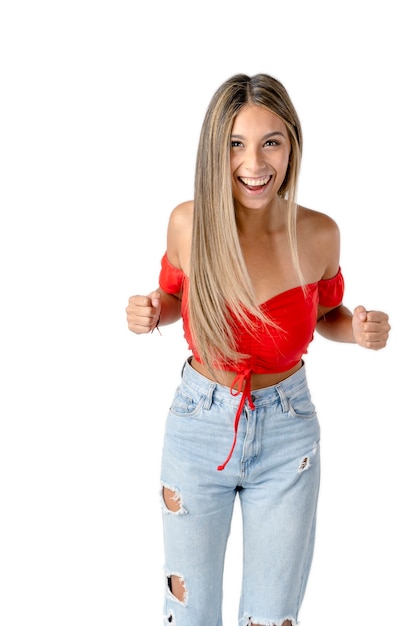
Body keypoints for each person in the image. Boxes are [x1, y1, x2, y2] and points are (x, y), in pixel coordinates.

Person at [126, 73, 390, 626]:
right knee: (189, 610)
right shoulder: (189, 223)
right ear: (214, 150)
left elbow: (324, 318)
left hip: (287, 431)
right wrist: (151, 309)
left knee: (273, 616)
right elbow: (176, 295)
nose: (255, 162)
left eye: (272, 141)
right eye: (236, 144)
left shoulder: (319, 234)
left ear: (292, 145)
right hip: (200, 426)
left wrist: (358, 328)